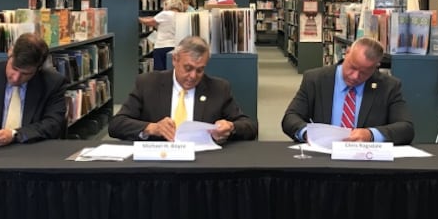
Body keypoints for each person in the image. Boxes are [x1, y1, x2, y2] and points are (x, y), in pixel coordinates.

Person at [109, 35, 258, 143]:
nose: (193, 76)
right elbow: (116, 125)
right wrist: (151, 128)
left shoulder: (218, 88)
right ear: (175, 60)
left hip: (201, 165)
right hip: (159, 163)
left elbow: (250, 127)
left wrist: (230, 127)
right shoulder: (148, 83)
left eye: (200, 70)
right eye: (188, 68)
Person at [282, 36, 414, 145]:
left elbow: (406, 128)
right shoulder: (315, 79)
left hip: (366, 161)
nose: (355, 76)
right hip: (323, 158)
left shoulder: (388, 86)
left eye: (364, 72)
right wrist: (309, 134)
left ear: (376, 67)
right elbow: (290, 118)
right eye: (352, 67)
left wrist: (371, 134)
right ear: (347, 53)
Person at [139, 0, 184, 70]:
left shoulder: (165, 14)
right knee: (171, 71)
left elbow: (150, 22)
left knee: (160, 73)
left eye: (165, 4)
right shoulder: (181, 15)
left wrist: (137, 18)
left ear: (169, 4)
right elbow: (155, 19)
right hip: (175, 47)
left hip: (162, 47)